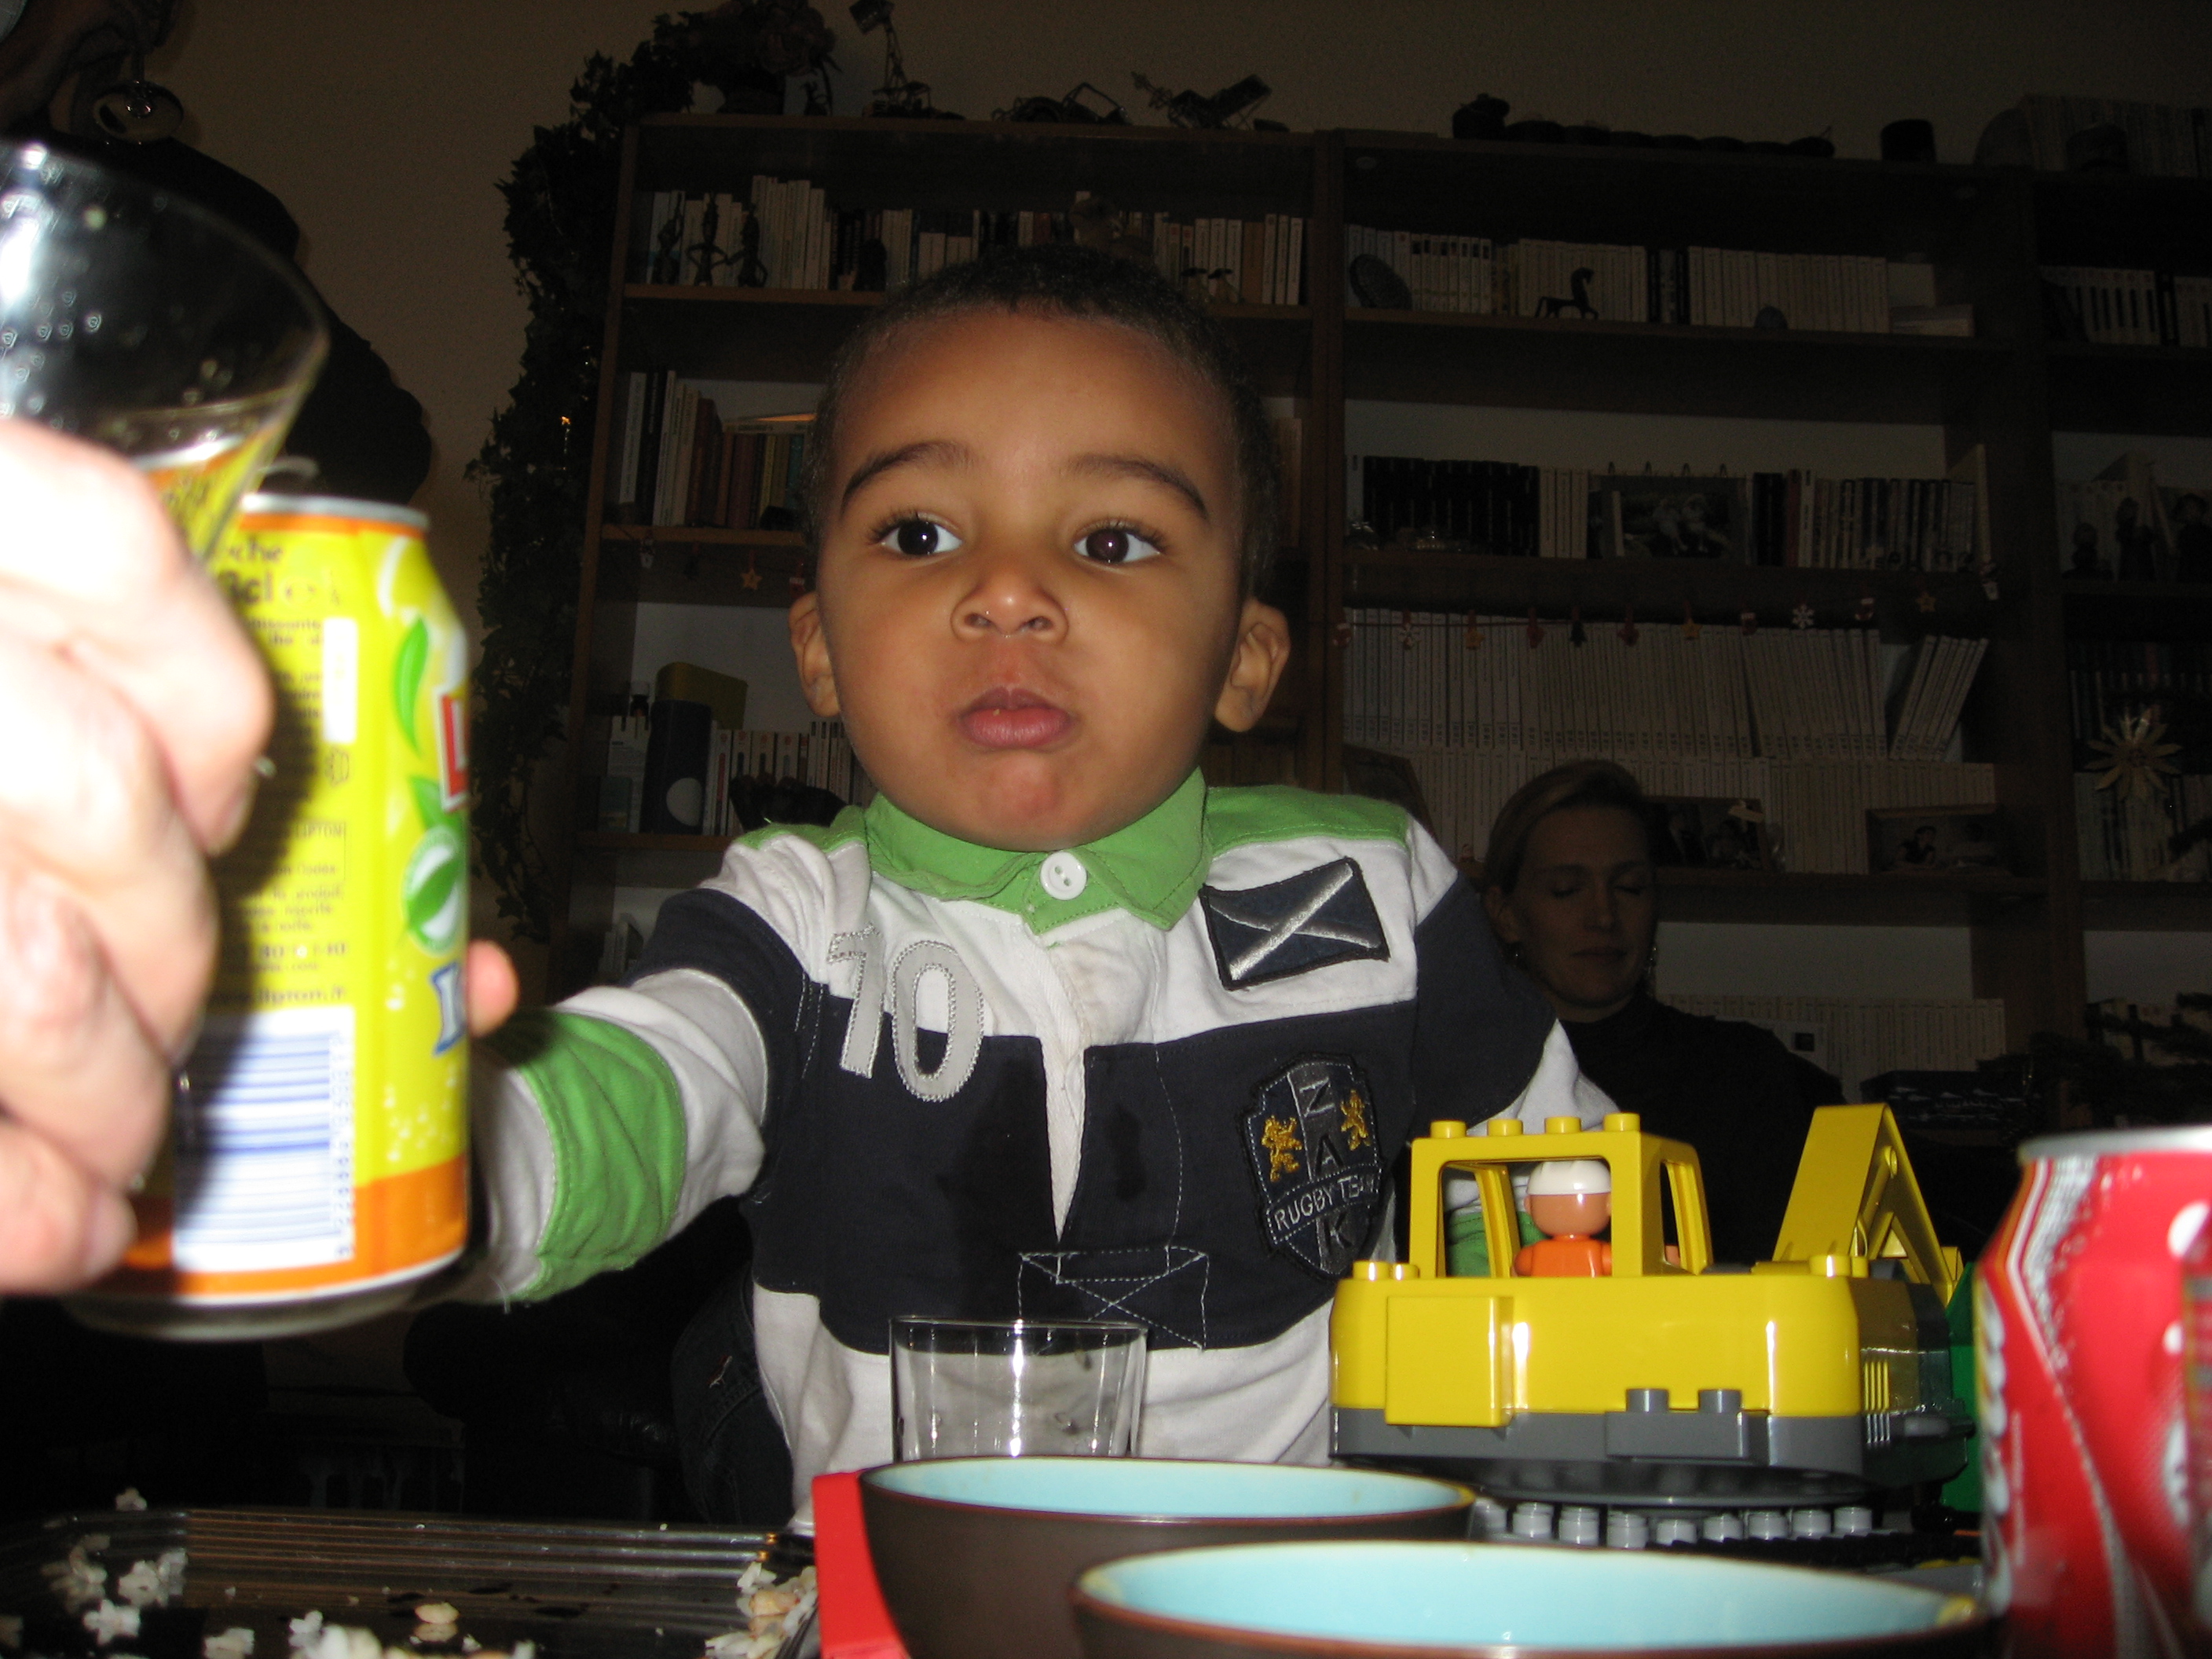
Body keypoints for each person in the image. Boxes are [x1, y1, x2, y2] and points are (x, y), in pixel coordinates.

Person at [459, 243, 1601, 1523]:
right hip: (899, 1600)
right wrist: (438, 1154)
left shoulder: (1377, 892)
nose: (1006, 592)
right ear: (819, 650)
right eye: (921, 533)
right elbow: (651, 1077)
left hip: (1286, 1595)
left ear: (1244, 657)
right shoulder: (794, 921)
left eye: (1111, 539)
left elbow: (1567, 1199)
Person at [1480, 760, 1837, 1268]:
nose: (1603, 916)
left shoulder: (1742, 1071)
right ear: (1506, 914)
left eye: (1629, 887)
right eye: (1566, 890)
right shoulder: (1461, 1077)